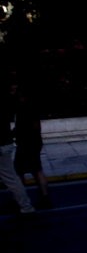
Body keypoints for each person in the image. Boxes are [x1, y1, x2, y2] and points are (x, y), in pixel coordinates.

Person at [11, 76, 53, 209]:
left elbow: (32, 126)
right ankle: (44, 197)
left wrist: (18, 133)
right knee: (36, 170)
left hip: (27, 143)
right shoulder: (28, 104)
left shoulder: (24, 106)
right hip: (33, 142)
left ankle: (21, 199)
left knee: (19, 172)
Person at [1, 73, 36, 214]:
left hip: (2, 144)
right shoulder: (9, 101)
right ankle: (25, 205)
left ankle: (26, 206)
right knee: (11, 178)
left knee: (10, 179)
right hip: (5, 142)